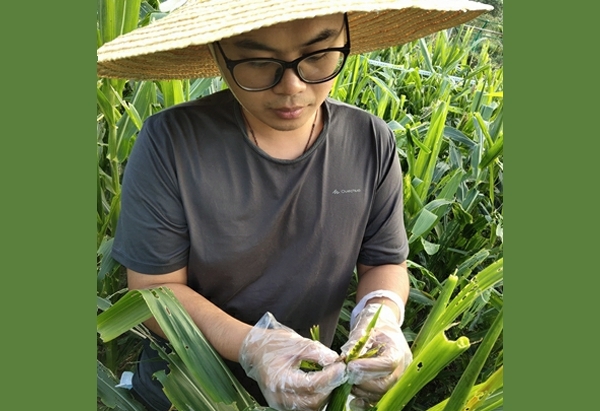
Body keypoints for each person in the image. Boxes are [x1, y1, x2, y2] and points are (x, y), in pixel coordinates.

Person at [97, 1, 493, 410]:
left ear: (346, 39)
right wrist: (254, 346)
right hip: (186, 389)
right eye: (257, 61)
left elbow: (383, 262)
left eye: (319, 55)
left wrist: (382, 315)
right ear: (217, 52)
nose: (292, 87)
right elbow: (153, 290)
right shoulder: (171, 142)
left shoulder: (369, 141)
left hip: (312, 385)